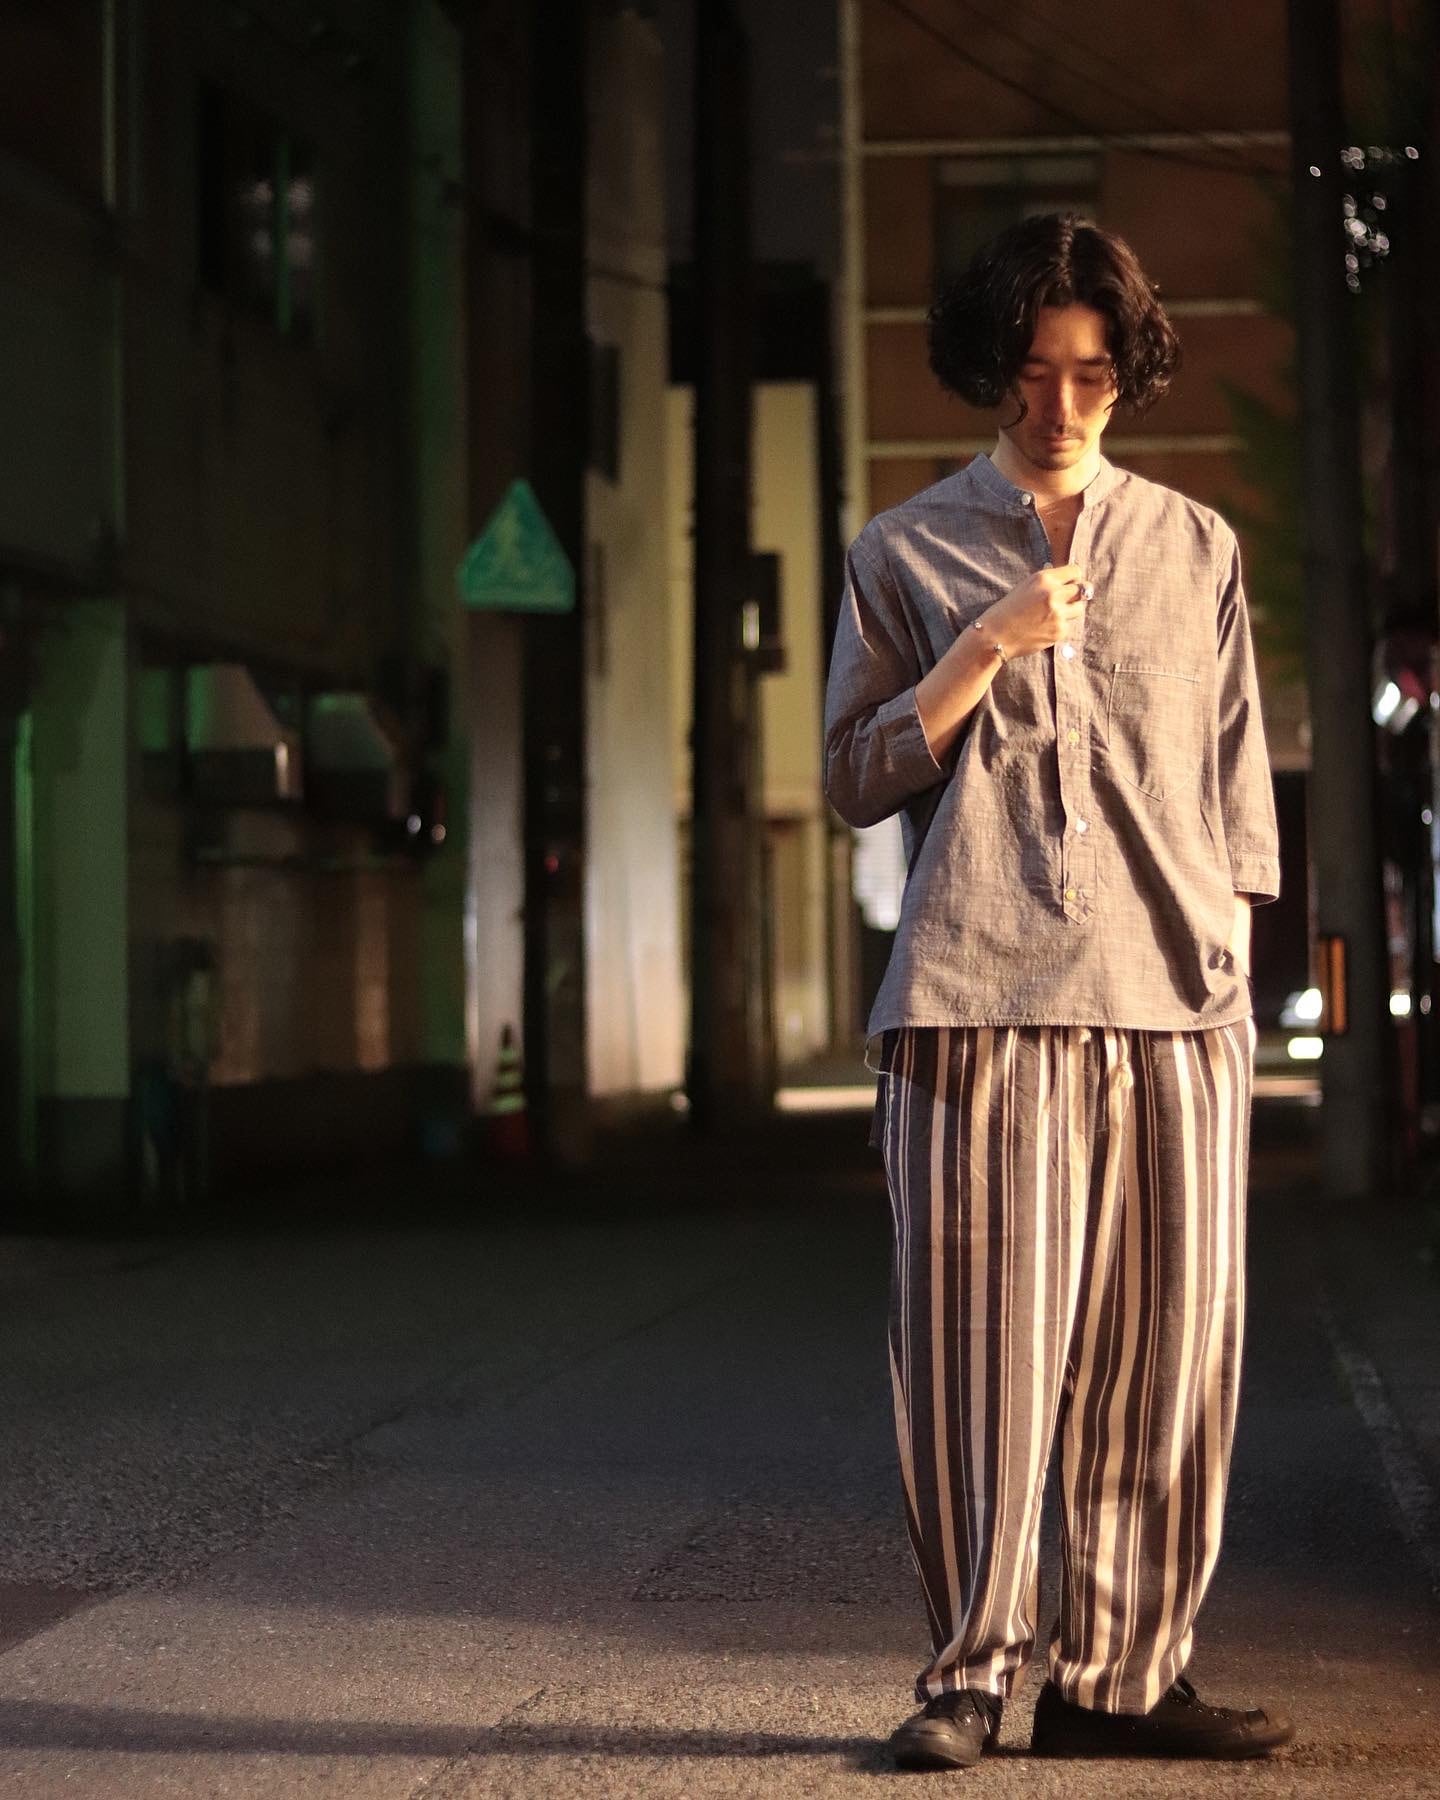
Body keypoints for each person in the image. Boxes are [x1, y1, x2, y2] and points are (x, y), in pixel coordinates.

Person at [823, 213, 1294, 1770]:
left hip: (1175, 1006)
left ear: (1125, 372)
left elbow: (1236, 790)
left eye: (1090, 371)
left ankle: (1121, 1681)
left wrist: (1231, 980)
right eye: (1032, 369)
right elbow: (853, 776)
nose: (1060, 402)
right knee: (983, 1361)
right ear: (989, 368)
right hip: (977, 1000)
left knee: (1166, 1363)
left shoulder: (1196, 548)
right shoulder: (903, 551)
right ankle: (969, 1677)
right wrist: (984, 645)